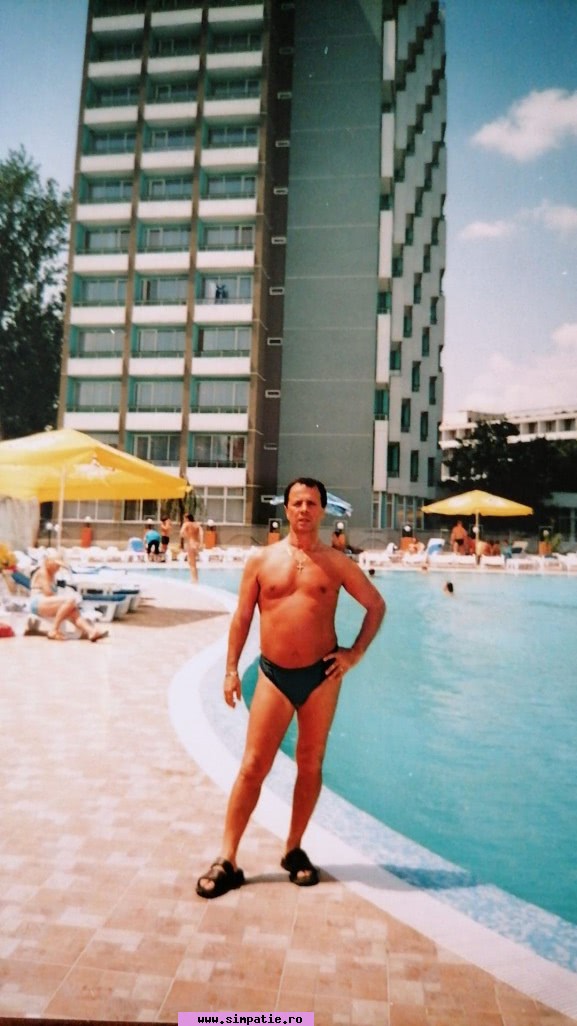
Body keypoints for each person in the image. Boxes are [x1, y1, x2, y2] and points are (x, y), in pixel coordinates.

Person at [196, 477, 386, 899]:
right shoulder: (261, 561)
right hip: (273, 675)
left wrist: (354, 653)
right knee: (252, 766)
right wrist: (231, 670)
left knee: (310, 763)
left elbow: (376, 605)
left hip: (321, 677)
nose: (304, 510)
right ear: (286, 510)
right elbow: (242, 618)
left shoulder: (337, 563)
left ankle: (293, 848)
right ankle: (227, 858)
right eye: (297, 503)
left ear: (322, 511)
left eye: (311, 503)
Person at [29, 557, 108, 642]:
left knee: (73, 610)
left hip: (46, 603)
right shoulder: (43, 572)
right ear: (48, 562)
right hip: (38, 602)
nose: (58, 568)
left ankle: (91, 631)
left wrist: (64, 605)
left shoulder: (52, 575)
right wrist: (63, 603)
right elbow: (48, 593)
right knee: (71, 601)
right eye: (56, 565)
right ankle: (54, 630)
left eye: (59, 566)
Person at [180, 513, 203, 582]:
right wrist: (201, 543)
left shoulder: (186, 524)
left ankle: (194, 579)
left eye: (184, 518)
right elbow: (201, 534)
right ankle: (196, 578)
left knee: (191, 563)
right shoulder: (197, 524)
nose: (184, 520)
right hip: (197, 544)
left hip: (191, 544)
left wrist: (187, 536)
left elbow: (181, 533)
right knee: (193, 562)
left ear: (187, 518)